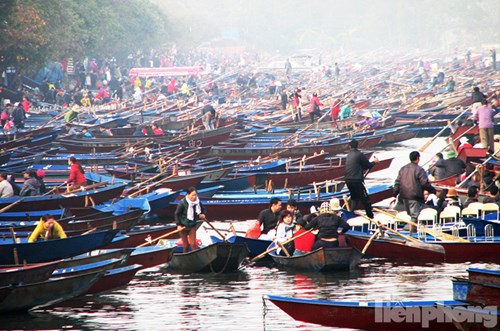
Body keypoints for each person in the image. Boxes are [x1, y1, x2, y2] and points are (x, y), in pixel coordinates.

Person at [393, 151, 436, 235]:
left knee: (411, 214)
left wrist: (395, 194)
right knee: (414, 215)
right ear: (417, 158)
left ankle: (411, 231)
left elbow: (397, 183)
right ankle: (410, 234)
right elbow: (424, 183)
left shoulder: (403, 169)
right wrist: (433, 191)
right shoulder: (419, 170)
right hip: (414, 196)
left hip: (404, 196)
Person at [345, 139, 379, 218]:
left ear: (349, 146)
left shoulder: (348, 155)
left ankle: (350, 214)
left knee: (354, 198)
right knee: (365, 199)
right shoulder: (359, 154)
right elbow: (368, 165)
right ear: (358, 145)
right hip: (356, 180)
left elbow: (357, 166)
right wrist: (374, 161)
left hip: (348, 180)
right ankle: (371, 217)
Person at [174, 187, 206, 252]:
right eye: (192, 195)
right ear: (188, 195)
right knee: (186, 245)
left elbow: (203, 210)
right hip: (183, 226)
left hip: (192, 225)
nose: (194, 197)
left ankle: (195, 257)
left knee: (193, 244)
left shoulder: (197, 202)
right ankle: (185, 258)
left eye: (195, 195)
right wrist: (178, 225)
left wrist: (203, 214)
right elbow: (177, 214)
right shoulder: (182, 203)